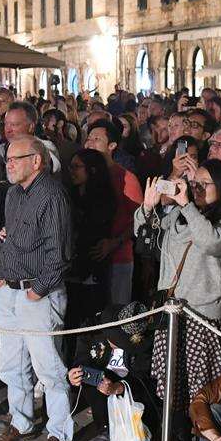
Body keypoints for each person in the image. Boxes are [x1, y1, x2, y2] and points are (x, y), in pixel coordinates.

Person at [139, 158, 221, 429]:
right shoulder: (179, 215)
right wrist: (148, 207)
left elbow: (211, 242)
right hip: (171, 311)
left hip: (201, 314)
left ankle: (204, 440)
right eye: (195, 183)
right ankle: (176, 438)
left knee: (200, 388)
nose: (197, 188)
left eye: (205, 184)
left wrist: (186, 204)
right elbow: (145, 235)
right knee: (170, 385)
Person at [0, 136, 75, 441]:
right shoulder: (13, 194)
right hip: (10, 291)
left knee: (49, 368)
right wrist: (3, 275)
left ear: (36, 161)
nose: (9, 164)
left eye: (16, 158)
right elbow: (14, 238)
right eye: (7, 159)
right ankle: (21, 420)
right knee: (11, 364)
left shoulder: (52, 195)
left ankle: (59, 431)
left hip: (38, 294)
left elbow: (60, 253)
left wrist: (37, 290)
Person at [66, 303, 157, 441]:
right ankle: (105, 429)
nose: (119, 344)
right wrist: (73, 375)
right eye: (118, 339)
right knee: (92, 379)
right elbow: (81, 361)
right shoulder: (92, 331)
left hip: (134, 393)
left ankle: (140, 433)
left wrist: (119, 387)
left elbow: (145, 378)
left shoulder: (145, 342)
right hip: (101, 385)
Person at [84, 118, 141, 305]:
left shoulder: (126, 178)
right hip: (89, 258)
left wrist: (115, 242)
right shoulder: (82, 175)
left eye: (97, 139)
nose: (90, 143)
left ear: (112, 145)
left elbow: (140, 220)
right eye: (88, 138)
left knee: (116, 312)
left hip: (118, 258)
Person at [64, 148, 116, 330]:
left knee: (92, 321)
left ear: (92, 169)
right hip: (70, 270)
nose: (72, 171)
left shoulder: (104, 199)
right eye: (70, 167)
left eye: (77, 167)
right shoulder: (69, 194)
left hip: (93, 267)